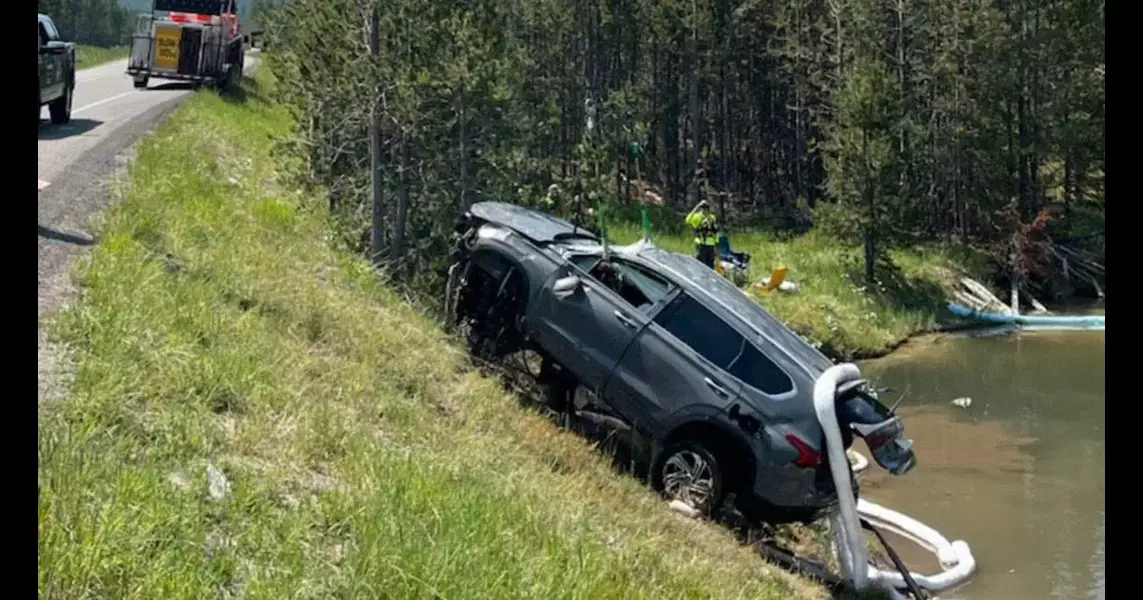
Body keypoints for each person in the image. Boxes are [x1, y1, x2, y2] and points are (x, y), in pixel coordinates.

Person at [685, 200, 718, 268]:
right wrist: (697, 207)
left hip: (711, 245)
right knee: (701, 266)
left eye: (706, 207)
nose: (705, 209)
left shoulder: (712, 217)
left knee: (710, 267)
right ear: (700, 208)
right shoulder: (697, 217)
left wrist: (716, 245)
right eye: (703, 207)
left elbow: (714, 232)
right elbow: (687, 220)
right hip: (701, 244)